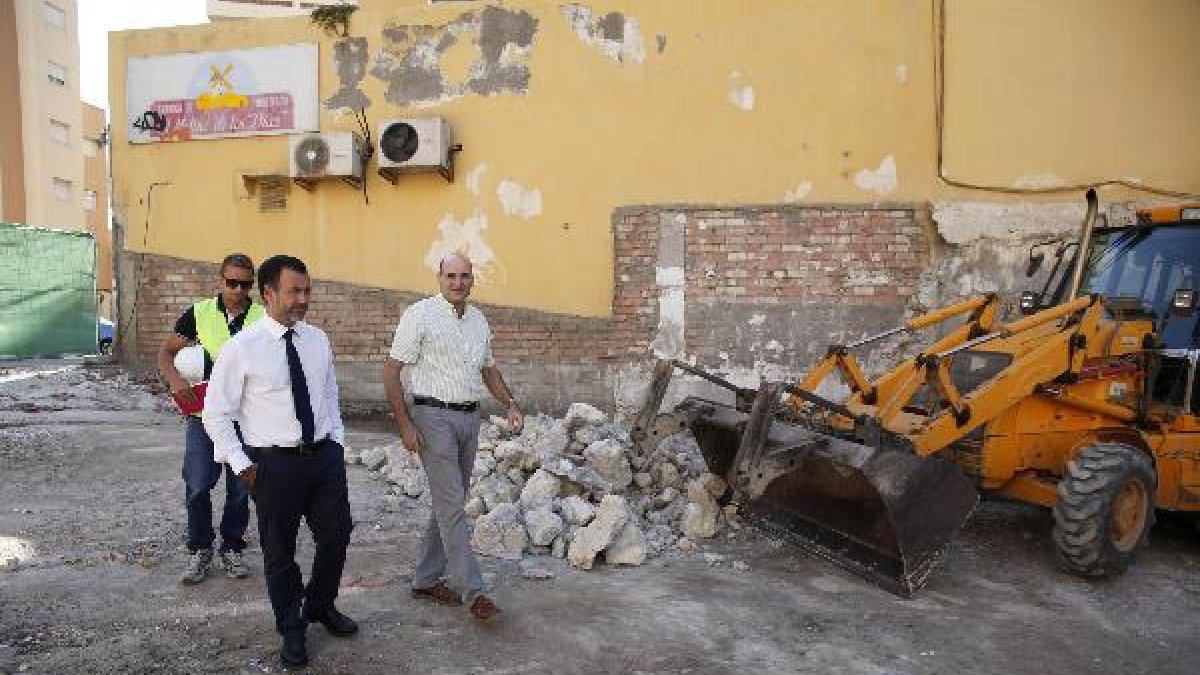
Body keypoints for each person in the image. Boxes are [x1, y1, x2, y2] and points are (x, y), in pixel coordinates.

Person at [203, 255, 356, 668]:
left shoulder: (317, 340)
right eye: (294, 292)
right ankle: (291, 627)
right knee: (279, 552)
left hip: (323, 459)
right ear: (268, 293)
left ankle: (320, 605)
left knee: (337, 535)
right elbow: (215, 413)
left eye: (307, 291)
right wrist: (241, 464)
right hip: (273, 466)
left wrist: (336, 441)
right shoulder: (242, 348)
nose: (303, 300)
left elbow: (328, 394)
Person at [382, 253, 525, 622]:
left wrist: (510, 403)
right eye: (451, 276)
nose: (457, 283)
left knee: (450, 502)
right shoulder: (419, 315)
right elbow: (392, 371)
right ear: (439, 277)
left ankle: (426, 579)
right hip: (433, 419)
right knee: (452, 506)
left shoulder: (478, 320)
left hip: (469, 419)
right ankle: (473, 591)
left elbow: (488, 370)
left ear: (472, 279)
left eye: (464, 276)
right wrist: (405, 425)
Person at [157, 252, 264, 585]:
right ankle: (200, 549)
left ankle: (232, 549)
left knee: (241, 488)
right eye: (232, 283)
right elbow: (166, 353)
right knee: (198, 485)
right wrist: (176, 383)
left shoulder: (262, 317)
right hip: (203, 417)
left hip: (245, 418)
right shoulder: (199, 313)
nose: (238, 290)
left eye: (245, 284)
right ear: (220, 280)